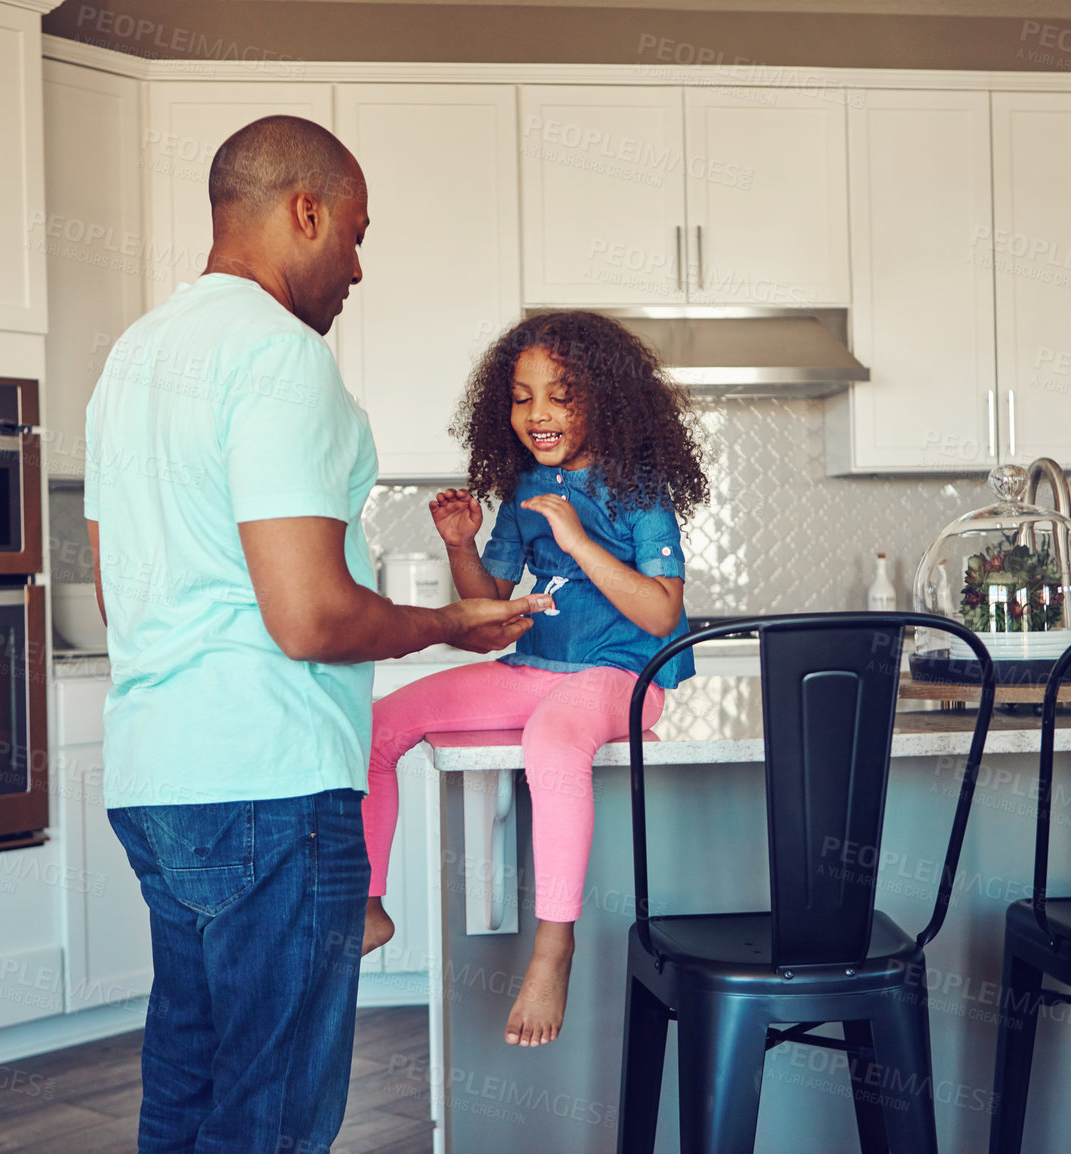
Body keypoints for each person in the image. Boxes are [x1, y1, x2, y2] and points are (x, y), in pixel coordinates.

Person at [83, 115, 549, 1154]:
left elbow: (125, 595)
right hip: (268, 779)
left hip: (156, 778)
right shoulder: (280, 358)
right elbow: (309, 617)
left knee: (191, 1079)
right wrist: (447, 620)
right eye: (353, 231)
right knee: (274, 1110)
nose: (357, 265)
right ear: (304, 211)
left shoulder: (135, 357)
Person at [360, 311, 710, 1047]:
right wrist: (459, 546)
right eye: (521, 398)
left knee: (554, 741)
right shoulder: (524, 488)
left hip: (624, 675)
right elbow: (486, 611)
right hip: (535, 668)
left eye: (560, 394)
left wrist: (577, 540)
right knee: (377, 723)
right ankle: (368, 902)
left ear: (608, 399)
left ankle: (554, 943)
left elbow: (660, 613)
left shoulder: (640, 488)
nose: (538, 414)